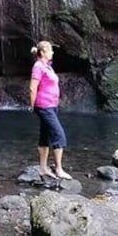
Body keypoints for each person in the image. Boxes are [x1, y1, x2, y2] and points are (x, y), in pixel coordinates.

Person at [29, 41, 72, 180]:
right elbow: (32, 87)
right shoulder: (38, 66)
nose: (52, 53)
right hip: (44, 106)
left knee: (45, 135)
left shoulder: (47, 66)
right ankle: (59, 169)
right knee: (59, 135)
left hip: (51, 106)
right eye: (50, 50)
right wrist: (32, 104)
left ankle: (42, 168)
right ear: (43, 53)